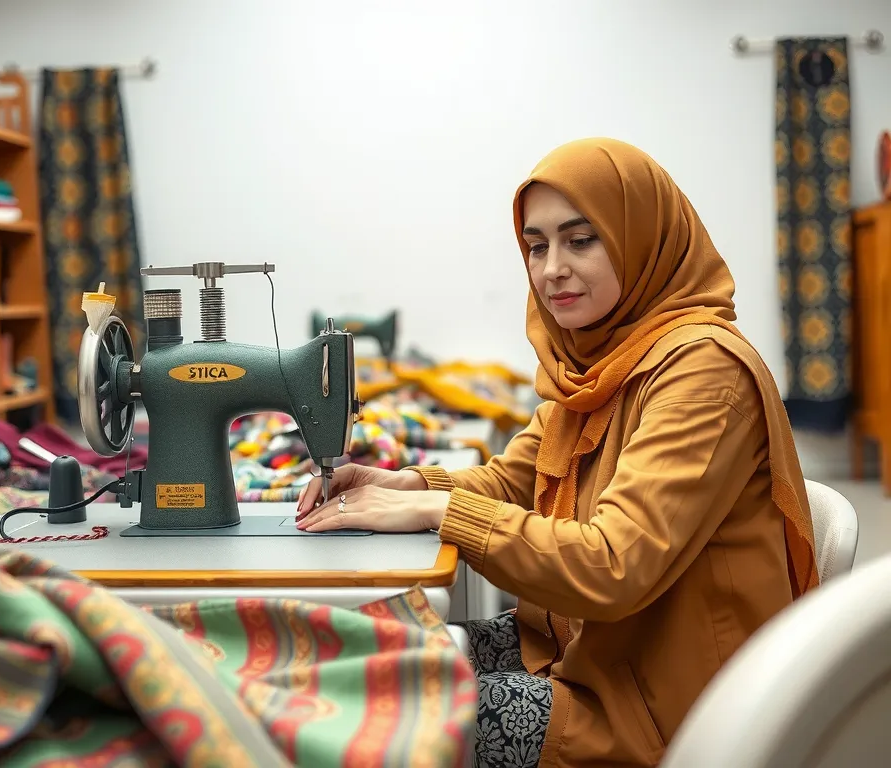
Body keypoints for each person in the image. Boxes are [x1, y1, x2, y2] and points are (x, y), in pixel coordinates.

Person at [296, 137, 818, 768]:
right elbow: (511, 479)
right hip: (594, 652)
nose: (551, 270)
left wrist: (440, 514)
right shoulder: (597, 362)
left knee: (382, 713)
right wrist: (408, 486)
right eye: (537, 246)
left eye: (581, 239)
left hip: (668, 707)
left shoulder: (702, 373)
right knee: (366, 653)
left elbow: (611, 565)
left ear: (640, 235)